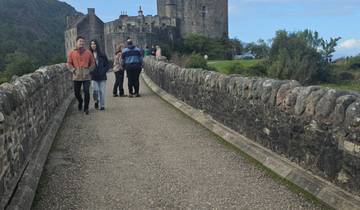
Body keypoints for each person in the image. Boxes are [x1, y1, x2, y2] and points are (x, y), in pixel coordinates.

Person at [67, 36, 95, 115]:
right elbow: (68, 63)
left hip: (86, 76)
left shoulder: (88, 52)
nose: (81, 43)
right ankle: (80, 101)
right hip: (76, 76)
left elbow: (93, 63)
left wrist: (89, 70)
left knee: (86, 91)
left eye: (83, 41)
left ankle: (86, 108)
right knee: (76, 93)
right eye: (80, 41)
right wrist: (73, 70)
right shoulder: (72, 52)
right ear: (76, 42)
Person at [89, 39, 109, 111]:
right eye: (91, 44)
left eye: (94, 44)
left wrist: (103, 71)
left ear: (97, 45)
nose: (93, 45)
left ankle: (102, 105)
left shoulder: (102, 55)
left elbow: (107, 65)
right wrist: (91, 72)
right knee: (95, 91)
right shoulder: (89, 55)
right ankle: (96, 100)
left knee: (102, 92)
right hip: (94, 77)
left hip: (102, 76)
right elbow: (87, 66)